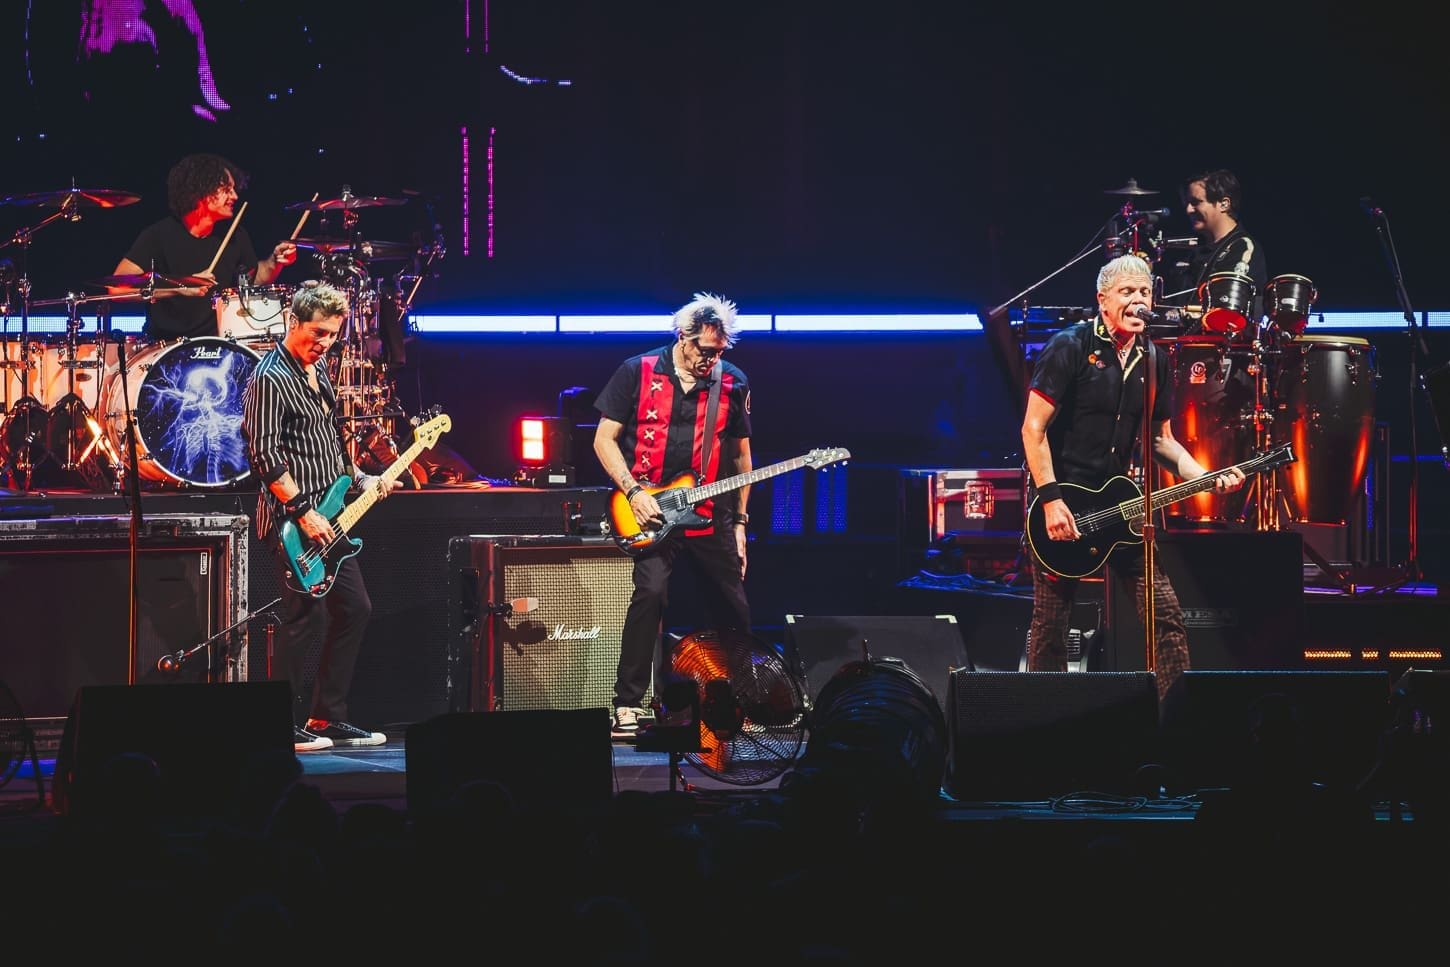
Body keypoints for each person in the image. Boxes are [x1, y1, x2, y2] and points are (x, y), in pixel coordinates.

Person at [1022, 255, 1246, 704]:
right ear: (1103, 300)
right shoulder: (1070, 346)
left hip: (1121, 507)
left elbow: (1163, 441)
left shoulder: (1155, 359)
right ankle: (1041, 721)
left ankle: (1175, 721)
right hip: (1062, 503)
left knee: (1165, 617)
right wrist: (1050, 501)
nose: (1138, 301)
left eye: (1144, 293)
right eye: (1127, 293)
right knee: (1051, 627)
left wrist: (1205, 476)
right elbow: (1033, 429)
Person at [242, 281, 399, 753]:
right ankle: (278, 725)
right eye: (317, 333)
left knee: (355, 609)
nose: (325, 342)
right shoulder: (270, 377)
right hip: (295, 524)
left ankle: (327, 716)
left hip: (332, 518)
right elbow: (264, 456)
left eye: (332, 334)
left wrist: (362, 479)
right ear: (293, 323)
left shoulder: (320, 370)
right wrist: (303, 511)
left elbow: (329, 446)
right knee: (302, 619)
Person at [593, 293, 753, 733]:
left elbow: (742, 459)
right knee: (651, 595)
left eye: (720, 352)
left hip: (709, 514)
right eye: (705, 350)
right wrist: (633, 491)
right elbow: (604, 440)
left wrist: (740, 524)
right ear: (683, 338)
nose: (712, 360)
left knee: (734, 608)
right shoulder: (636, 371)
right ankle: (627, 704)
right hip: (649, 512)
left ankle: (744, 701)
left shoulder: (733, 382)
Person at [112, 153, 297, 342]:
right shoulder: (158, 235)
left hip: (218, 345)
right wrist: (179, 288)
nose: (235, 196)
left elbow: (253, 280)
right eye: (226, 189)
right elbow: (117, 289)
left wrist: (276, 262)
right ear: (200, 191)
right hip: (166, 346)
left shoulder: (235, 235)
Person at [1163, 168, 1268, 327]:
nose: (1188, 210)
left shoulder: (1243, 248)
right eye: (1186, 204)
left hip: (1220, 347)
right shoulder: (1193, 251)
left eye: (1196, 202)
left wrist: (1178, 315)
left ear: (1224, 204)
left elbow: (1224, 311)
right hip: (1183, 344)